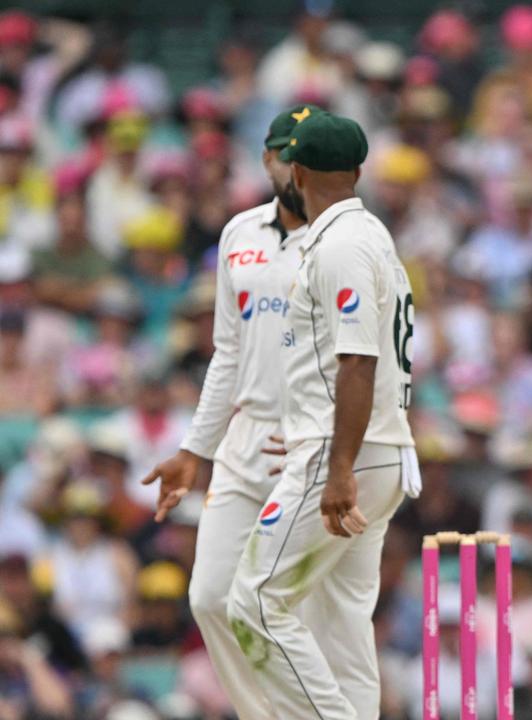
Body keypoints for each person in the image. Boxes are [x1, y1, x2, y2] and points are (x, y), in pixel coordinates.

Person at [224, 108, 420, 720]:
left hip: (348, 458)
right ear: (358, 170)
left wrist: (336, 466)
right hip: (376, 450)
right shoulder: (371, 236)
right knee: (340, 624)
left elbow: (357, 364)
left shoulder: (340, 245)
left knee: (252, 602)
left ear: (298, 171)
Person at [141, 104, 316, 718]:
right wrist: (194, 450)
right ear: (268, 160)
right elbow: (227, 352)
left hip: (312, 448)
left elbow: (373, 363)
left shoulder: (352, 240)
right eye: (283, 154)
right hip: (245, 442)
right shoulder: (239, 234)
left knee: (283, 604)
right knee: (211, 597)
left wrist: (334, 441)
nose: (294, 167)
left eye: (306, 155)